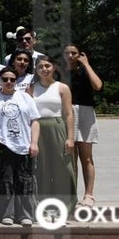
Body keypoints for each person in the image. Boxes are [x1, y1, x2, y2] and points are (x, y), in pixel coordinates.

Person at [0, 69, 40, 226]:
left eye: (12, 79)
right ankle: (7, 214)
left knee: (25, 182)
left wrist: (34, 143)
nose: (9, 82)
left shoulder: (25, 98)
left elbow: (35, 121)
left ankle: (25, 214)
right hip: (4, 146)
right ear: (0, 80)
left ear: (16, 81)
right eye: (5, 79)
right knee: (5, 182)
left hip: (24, 144)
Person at [29, 55, 76, 213]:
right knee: (41, 167)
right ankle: (42, 204)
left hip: (57, 126)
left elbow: (69, 114)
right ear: (36, 69)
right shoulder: (31, 88)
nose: (44, 69)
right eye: (41, 66)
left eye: (47, 66)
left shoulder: (62, 88)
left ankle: (65, 204)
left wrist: (70, 138)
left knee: (62, 166)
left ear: (54, 67)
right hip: (37, 128)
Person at [64, 44, 103, 207]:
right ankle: (71, 196)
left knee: (86, 157)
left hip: (85, 111)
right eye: (68, 53)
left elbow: (98, 86)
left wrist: (86, 64)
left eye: (74, 53)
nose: (71, 56)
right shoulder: (59, 72)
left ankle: (89, 194)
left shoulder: (84, 71)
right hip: (66, 112)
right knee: (69, 158)